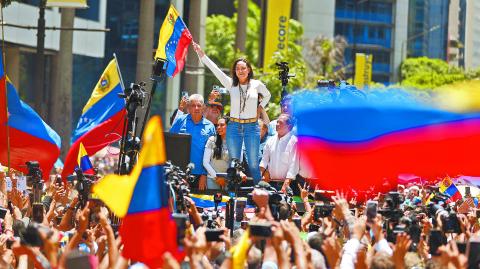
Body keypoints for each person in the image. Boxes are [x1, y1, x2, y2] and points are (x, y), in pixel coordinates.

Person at [193, 42, 271, 184]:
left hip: (251, 127)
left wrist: (260, 107)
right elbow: (215, 70)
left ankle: (260, 195)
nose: (240, 71)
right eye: (237, 69)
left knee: (253, 163)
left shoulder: (257, 84)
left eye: (243, 68)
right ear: (235, 72)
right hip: (234, 126)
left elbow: (268, 95)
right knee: (234, 164)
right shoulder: (231, 84)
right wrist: (201, 54)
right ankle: (232, 196)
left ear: (248, 70)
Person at [170, 94, 216, 190]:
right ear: (188, 108)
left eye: (199, 105)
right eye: (193, 105)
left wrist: (204, 175)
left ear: (203, 108)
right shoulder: (180, 121)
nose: (196, 108)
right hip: (180, 173)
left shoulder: (210, 127)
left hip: (200, 175)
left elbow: (211, 155)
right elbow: (171, 143)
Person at [260, 113, 299, 193]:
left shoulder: (294, 141)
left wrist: (286, 185)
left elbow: (293, 165)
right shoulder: (270, 140)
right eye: (277, 122)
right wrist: (261, 176)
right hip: (271, 183)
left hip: (288, 185)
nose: (277, 124)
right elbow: (264, 160)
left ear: (289, 126)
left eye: (280, 123)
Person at [203, 117, 229, 190]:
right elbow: (205, 162)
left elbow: (237, 162)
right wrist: (217, 178)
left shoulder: (235, 142)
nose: (218, 127)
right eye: (217, 125)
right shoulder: (211, 140)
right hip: (212, 179)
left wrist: (226, 179)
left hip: (228, 180)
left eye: (222, 125)